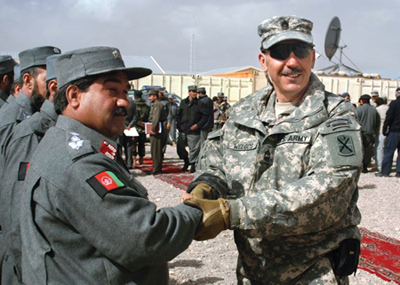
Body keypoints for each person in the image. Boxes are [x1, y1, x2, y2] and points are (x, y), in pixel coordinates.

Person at [182, 16, 362, 284]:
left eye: (300, 51)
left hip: (312, 272)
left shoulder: (336, 115)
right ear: (263, 61)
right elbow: (216, 162)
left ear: (312, 57)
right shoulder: (243, 112)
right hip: (252, 271)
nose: (292, 62)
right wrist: (206, 185)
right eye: (279, 52)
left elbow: (327, 190)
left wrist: (234, 212)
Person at [19, 46, 202, 284]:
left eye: (125, 92)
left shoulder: (64, 142)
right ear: (74, 96)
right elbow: (145, 237)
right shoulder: (77, 164)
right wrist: (197, 211)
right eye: (112, 90)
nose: (124, 102)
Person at [0, 54, 60, 283]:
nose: (55, 85)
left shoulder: (35, 116)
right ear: (27, 80)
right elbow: (14, 203)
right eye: (49, 79)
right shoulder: (17, 123)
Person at [176, 85, 208, 173]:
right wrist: (179, 125)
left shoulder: (200, 103)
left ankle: (193, 164)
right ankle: (186, 161)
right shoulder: (183, 102)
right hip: (183, 129)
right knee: (180, 148)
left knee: (193, 149)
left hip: (193, 130)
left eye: (195, 92)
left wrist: (198, 125)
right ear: (189, 92)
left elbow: (205, 116)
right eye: (193, 92)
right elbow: (178, 114)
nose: (194, 94)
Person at [377, 87, 400, 177]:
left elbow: (389, 117)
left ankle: (385, 172)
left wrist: (385, 128)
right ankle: (399, 172)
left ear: (396, 94)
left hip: (394, 131)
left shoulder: (394, 104)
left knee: (389, 151)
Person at [356, 94, 380, 173]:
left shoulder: (358, 109)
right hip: (370, 132)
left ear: (361, 101)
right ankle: (365, 166)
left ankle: (358, 165)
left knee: (359, 149)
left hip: (360, 132)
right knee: (368, 150)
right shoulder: (374, 110)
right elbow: (377, 122)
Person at [148, 89, 167, 174]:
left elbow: (156, 117)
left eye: (150, 96)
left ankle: (157, 168)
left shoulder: (157, 105)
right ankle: (156, 166)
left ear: (155, 97)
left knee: (156, 149)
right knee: (154, 149)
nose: (149, 98)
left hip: (157, 129)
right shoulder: (154, 105)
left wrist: (153, 129)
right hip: (156, 127)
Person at [132, 90, 150, 165]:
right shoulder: (146, 106)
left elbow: (132, 117)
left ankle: (133, 159)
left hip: (134, 128)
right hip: (143, 128)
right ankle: (141, 158)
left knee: (133, 144)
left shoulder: (133, 105)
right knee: (142, 144)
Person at [118, 95, 136, 168]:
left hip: (120, 126)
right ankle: (129, 163)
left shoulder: (119, 102)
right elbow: (135, 117)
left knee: (119, 145)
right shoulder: (133, 102)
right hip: (129, 128)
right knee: (129, 146)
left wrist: (123, 125)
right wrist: (130, 125)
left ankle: (119, 163)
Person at [375, 97, 389, 173]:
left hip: (380, 130)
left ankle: (380, 167)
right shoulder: (388, 108)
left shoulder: (377, 109)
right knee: (387, 149)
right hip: (389, 130)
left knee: (379, 149)